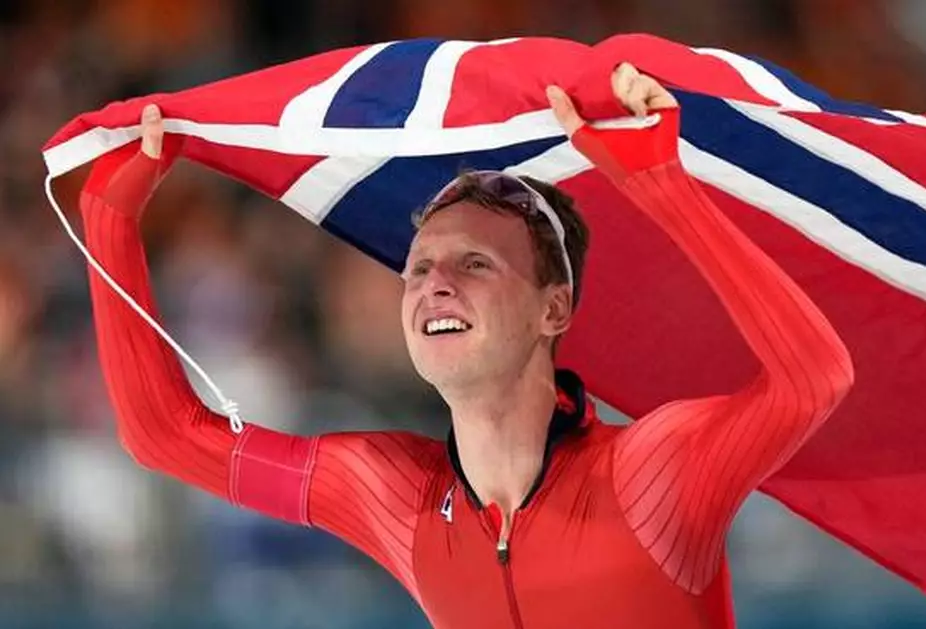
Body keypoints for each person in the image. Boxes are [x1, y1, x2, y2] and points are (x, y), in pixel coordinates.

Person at [79, 62, 854, 629]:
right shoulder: (392, 498)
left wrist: (664, 186)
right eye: (418, 268)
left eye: (474, 264)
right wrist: (108, 220)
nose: (433, 286)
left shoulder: (653, 474)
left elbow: (813, 378)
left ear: (555, 309)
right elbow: (164, 436)